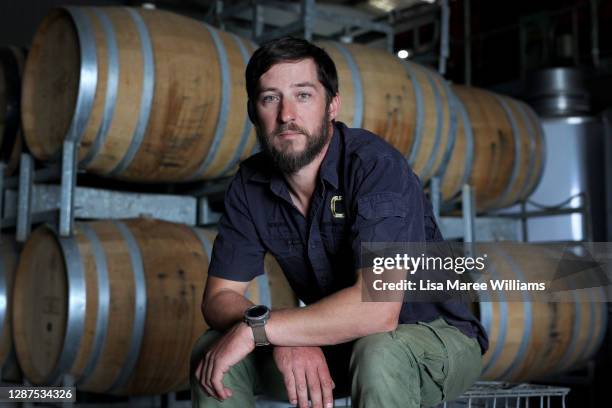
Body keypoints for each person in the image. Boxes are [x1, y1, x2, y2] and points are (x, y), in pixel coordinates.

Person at [190, 37, 488, 408]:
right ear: (254, 112)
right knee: (213, 350)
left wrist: (269, 331)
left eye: (303, 95)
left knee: (380, 352)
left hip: (434, 335)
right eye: (270, 98)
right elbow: (218, 298)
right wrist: (277, 334)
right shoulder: (251, 184)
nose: (286, 115)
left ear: (332, 105)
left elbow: (379, 310)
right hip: (342, 340)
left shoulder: (375, 167)